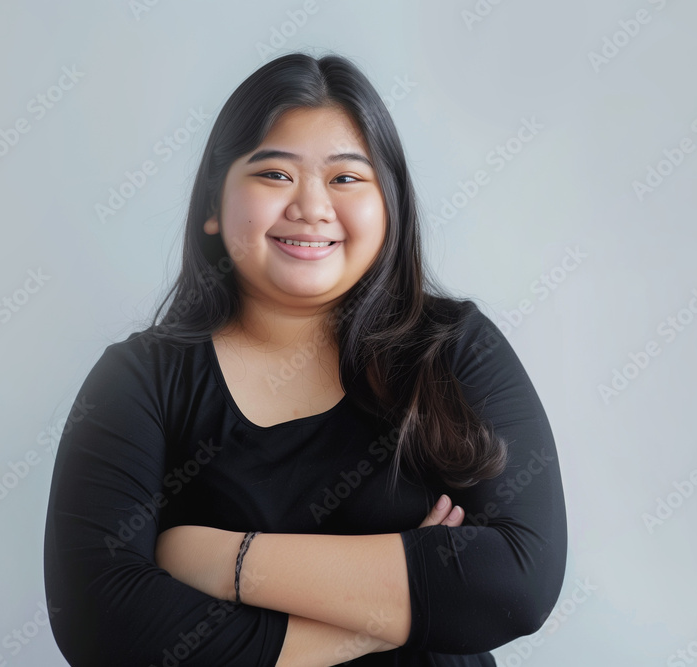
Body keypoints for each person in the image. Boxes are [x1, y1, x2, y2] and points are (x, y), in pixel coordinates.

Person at [43, 51, 567, 666]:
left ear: (390, 205)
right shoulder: (138, 381)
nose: (312, 208)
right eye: (274, 174)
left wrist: (223, 560)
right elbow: (102, 625)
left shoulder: (453, 349)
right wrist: (387, 617)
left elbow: (515, 584)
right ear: (212, 206)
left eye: (346, 179)